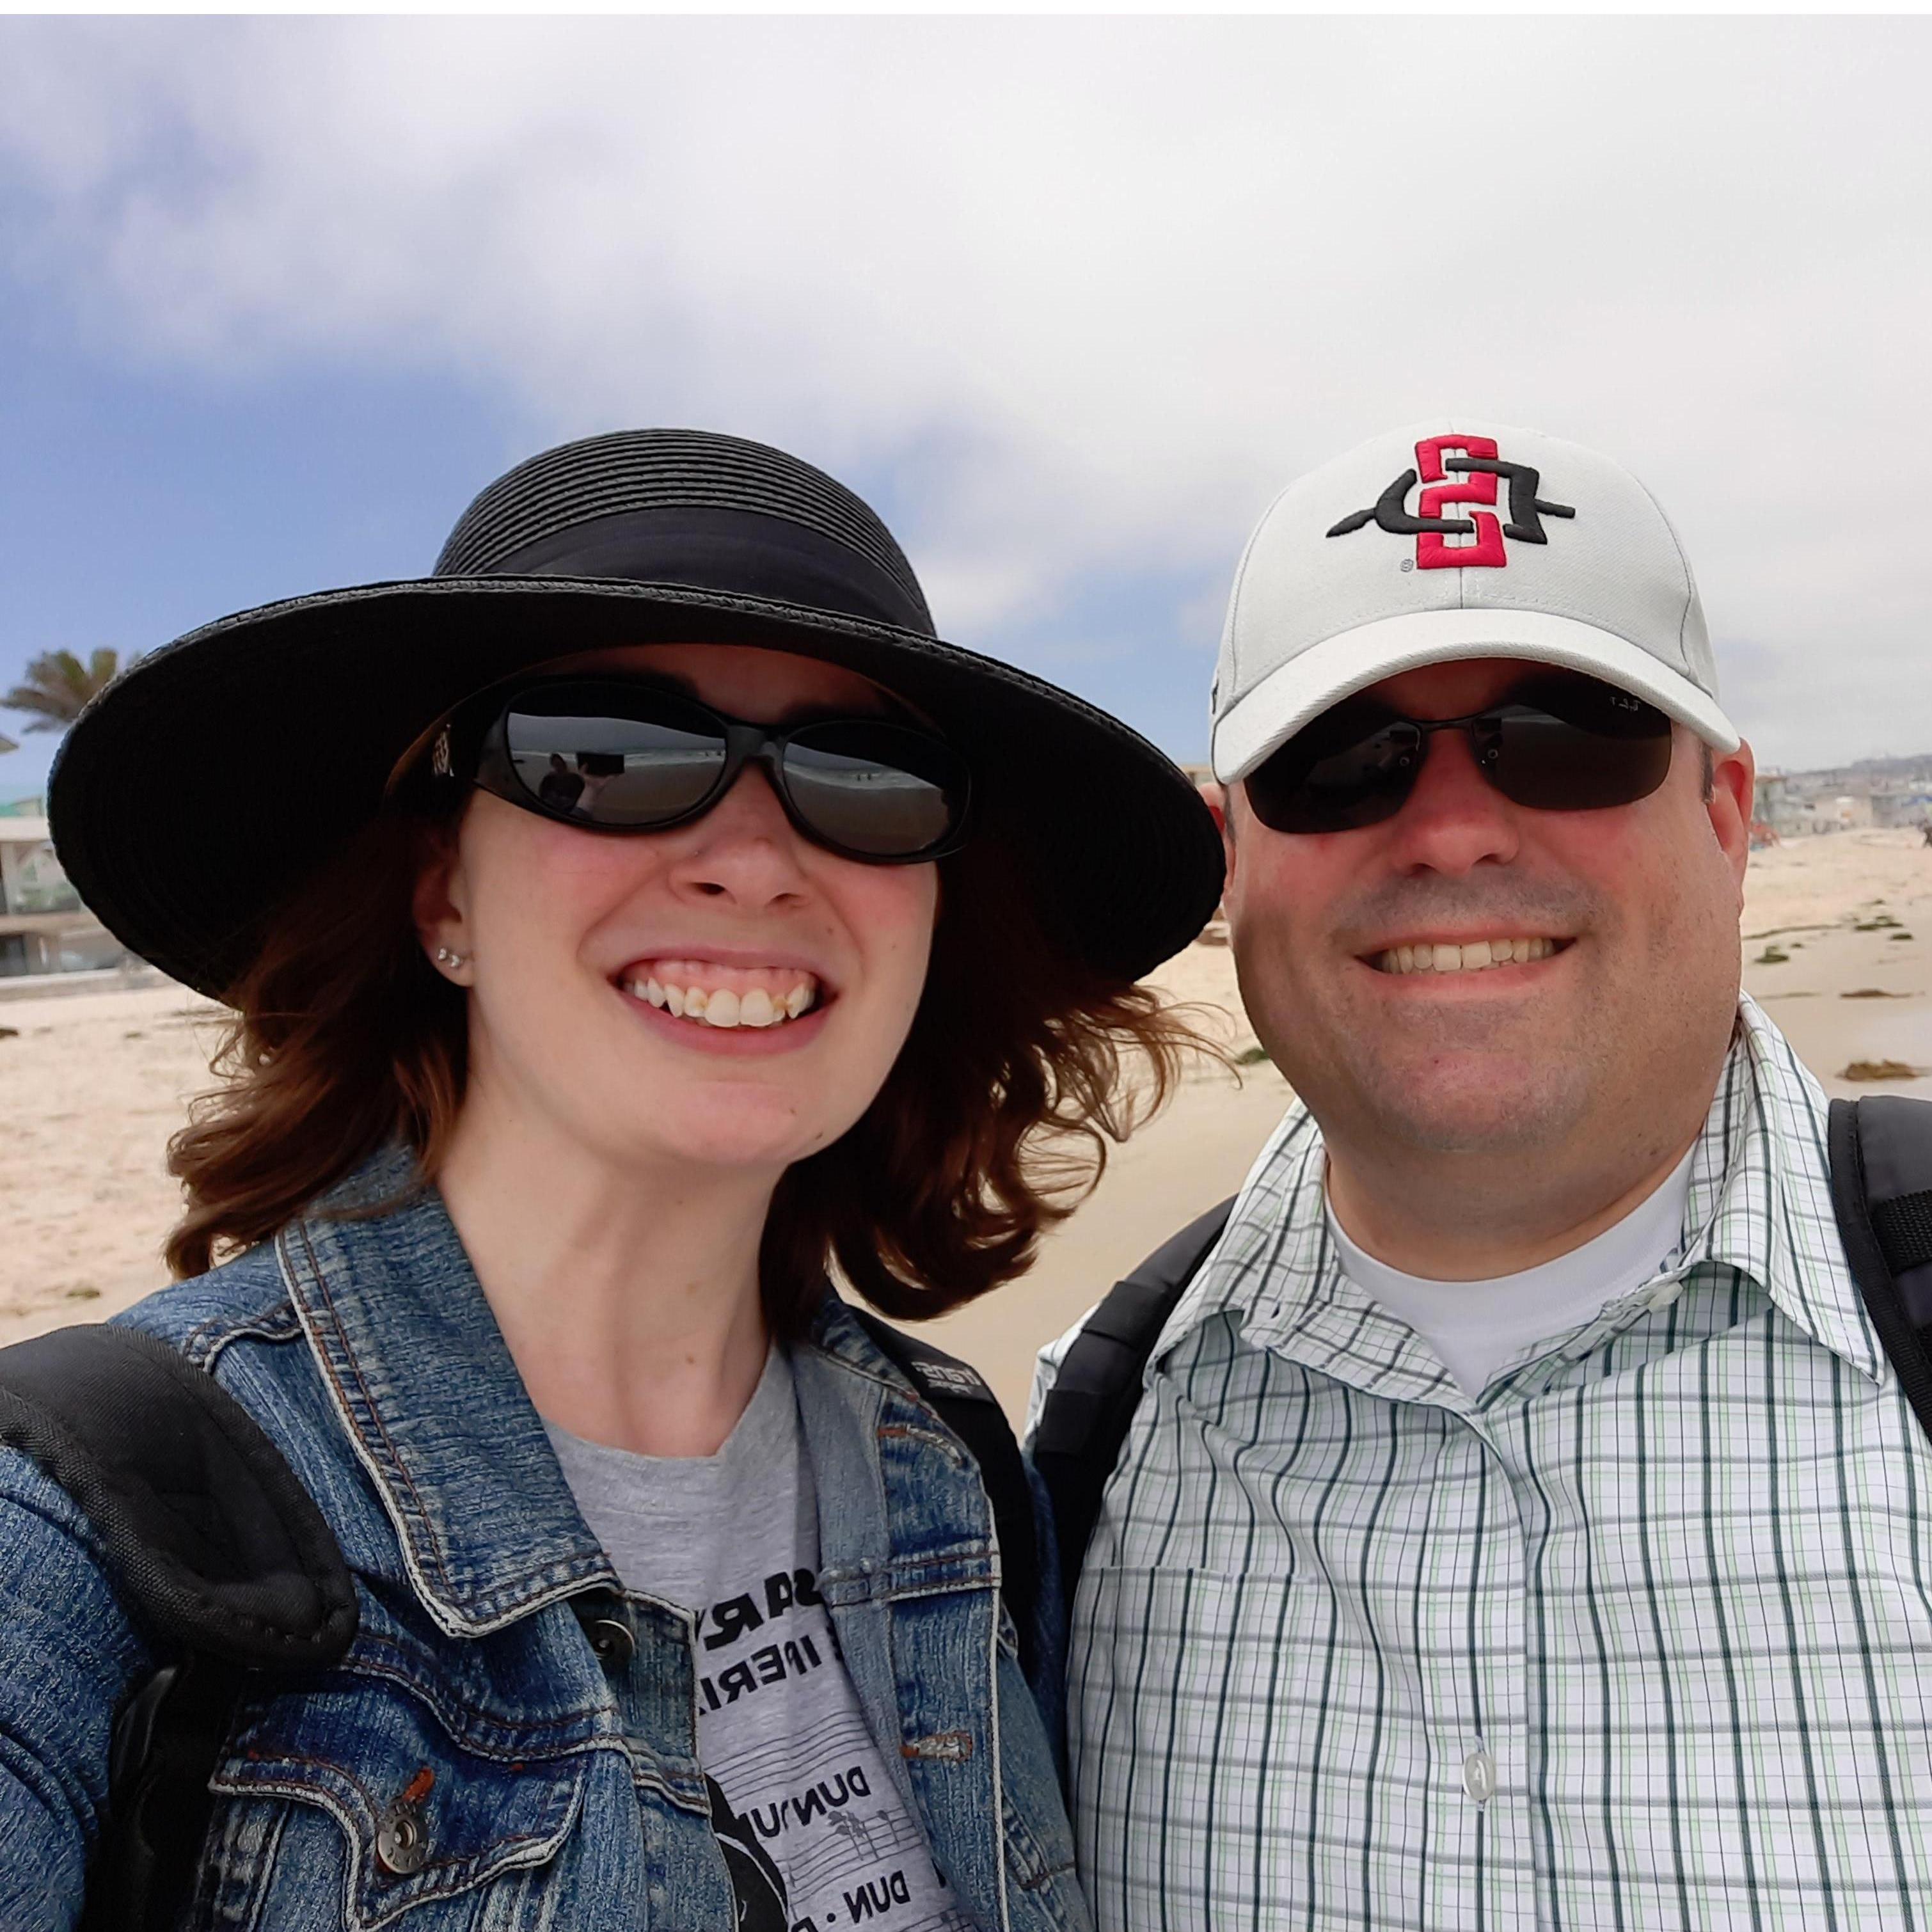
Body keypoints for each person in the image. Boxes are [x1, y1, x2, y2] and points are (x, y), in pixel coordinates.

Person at [0, 429, 1225, 1929]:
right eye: (609, 755)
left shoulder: (961, 1475)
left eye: (868, 778)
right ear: (443, 892)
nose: (753, 859)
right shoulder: (78, 1534)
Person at [1036, 421, 1932, 1928]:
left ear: (1726, 813)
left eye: (1567, 733)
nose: (1451, 832)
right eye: (1341, 760)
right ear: (1230, 860)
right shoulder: (1080, 1446)